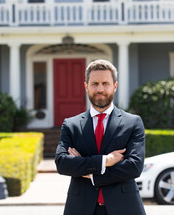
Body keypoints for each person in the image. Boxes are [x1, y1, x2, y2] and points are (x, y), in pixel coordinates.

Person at [55, 59, 146, 215]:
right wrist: (106, 161)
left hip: (124, 207)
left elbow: (134, 167)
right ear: (86, 86)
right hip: (81, 208)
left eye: (105, 83)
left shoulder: (133, 123)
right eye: (95, 84)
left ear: (115, 86)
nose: (100, 89)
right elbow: (62, 163)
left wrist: (87, 172)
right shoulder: (71, 125)